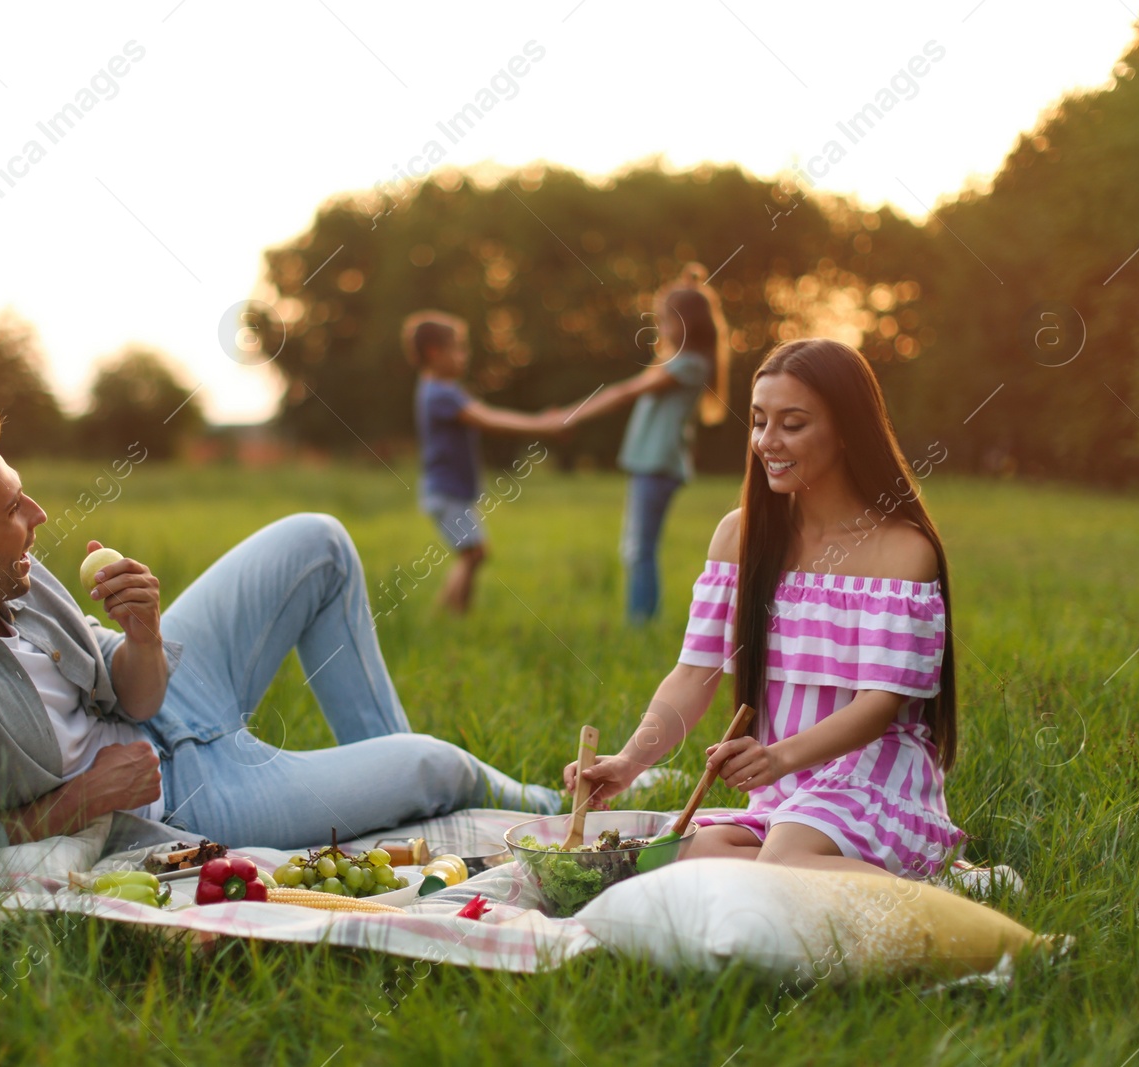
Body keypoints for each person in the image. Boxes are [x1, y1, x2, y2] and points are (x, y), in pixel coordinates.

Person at [0, 408, 560, 868]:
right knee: (435, 765)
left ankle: (391, 801)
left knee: (319, 542)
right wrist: (82, 801)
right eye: (13, 507)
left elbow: (130, 690)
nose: (38, 513)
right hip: (189, 795)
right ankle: (551, 805)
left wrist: (144, 634)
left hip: (161, 704)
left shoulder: (9, 573)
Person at [564, 338, 964, 879]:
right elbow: (694, 674)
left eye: (792, 424)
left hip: (874, 773)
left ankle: (950, 904)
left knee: (783, 862)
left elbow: (879, 706)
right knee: (685, 856)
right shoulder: (739, 536)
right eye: (758, 421)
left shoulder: (902, 550)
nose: (767, 442)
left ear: (847, 429)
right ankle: (883, 880)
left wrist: (779, 757)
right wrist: (631, 762)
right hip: (785, 791)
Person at [555, 266, 730, 623]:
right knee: (635, 550)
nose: (661, 329)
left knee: (640, 551)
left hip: (659, 465)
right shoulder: (676, 362)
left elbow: (623, 393)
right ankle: (641, 620)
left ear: (687, 324)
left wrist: (569, 415)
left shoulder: (690, 364)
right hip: (651, 464)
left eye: (667, 320)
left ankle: (642, 625)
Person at [404, 310, 569, 614]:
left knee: (473, 554)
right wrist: (543, 427)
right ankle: (447, 616)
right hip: (446, 491)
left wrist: (539, 422)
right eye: (459, 347)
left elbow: (489, 414)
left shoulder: (443, 391)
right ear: (434, 352)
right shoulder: (439, 394)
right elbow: (490, 420)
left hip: (449, 491)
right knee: (474, 554)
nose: (465, 355)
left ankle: (448, 615)